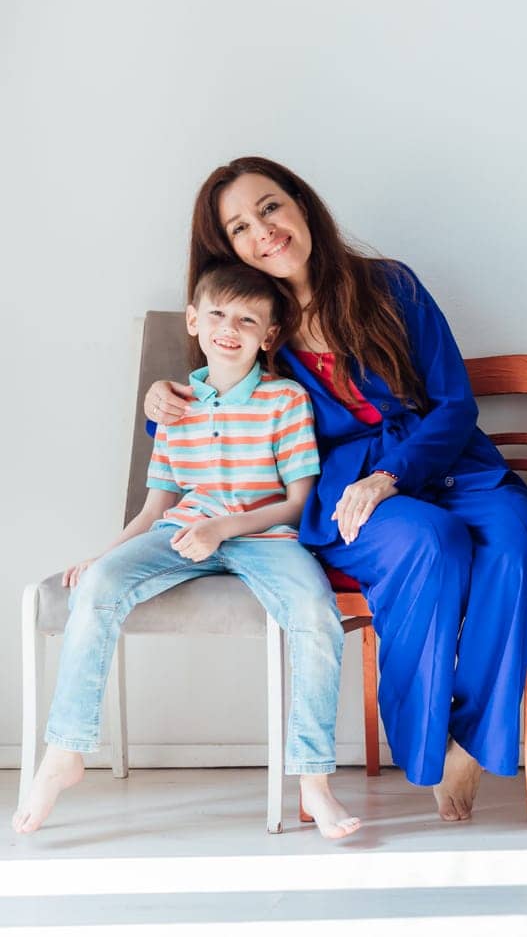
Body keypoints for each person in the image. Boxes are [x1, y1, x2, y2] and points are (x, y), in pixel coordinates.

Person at [144, 157, 527, 821]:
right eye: (242, 226)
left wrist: (391, 475)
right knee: (430, 541)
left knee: (521, 543)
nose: (265, 230)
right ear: (229, 247)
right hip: (342, 492)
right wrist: (158, 400)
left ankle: (468, 738)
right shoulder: (257, 327)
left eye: (271, 207)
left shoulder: (391, 285)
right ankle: (426, 752)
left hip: (448, 462)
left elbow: (454, 404)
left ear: (301, 204)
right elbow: (211, 401)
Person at [14, 264, 358, 839]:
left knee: (315, 614)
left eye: (248, 319)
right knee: (96, 587)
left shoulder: (285, 400)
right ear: (195, 321)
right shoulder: (175, 407)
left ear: (268, 336)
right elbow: (154, 510)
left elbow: (299, 503)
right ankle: (66, 751)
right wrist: (105, 554)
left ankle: (314, 782)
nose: (231, 328)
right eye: (218, 314)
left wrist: (225, 527)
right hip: (180, 531)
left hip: (264, 536)